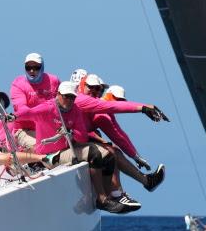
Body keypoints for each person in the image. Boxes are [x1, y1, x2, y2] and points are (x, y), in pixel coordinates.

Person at [14, 81, 126, 213]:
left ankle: (108, 196)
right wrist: (12, 116)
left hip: (66, 150)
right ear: (59, 95)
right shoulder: (48, 108)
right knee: (94, 153)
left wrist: (71, 133)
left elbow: (82, 137)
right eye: (66, 96)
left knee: (108, 155)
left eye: (72, 97)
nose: (69, 100)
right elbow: (28, 113)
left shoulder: (75, 111)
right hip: (49, 156)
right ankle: (101, 199)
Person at [83, 79, 165, 196]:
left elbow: (120, 133)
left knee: (113, 149)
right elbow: (117, 136)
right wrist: (135, 157)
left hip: (84, 136)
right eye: (118, 100)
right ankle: (119, 192)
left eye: (122, 101)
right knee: (112, 152)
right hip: (77, 139)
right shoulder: (102, 113)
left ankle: (120, 191)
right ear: (109, 96)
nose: (120, 103)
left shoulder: (106, 112)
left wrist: (136, 156)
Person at [10, 53, 60, 151]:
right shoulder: (18, 84)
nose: (32, 71)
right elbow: (22, 110)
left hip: (49, 129)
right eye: (28, 67)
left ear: (42, 67)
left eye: (36, 67)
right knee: (40, 148)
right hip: (25, 130)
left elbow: (62, 102)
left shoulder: (53, 81)